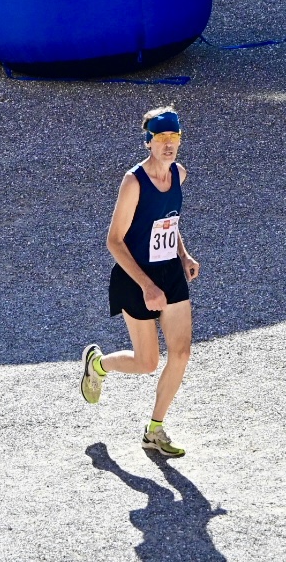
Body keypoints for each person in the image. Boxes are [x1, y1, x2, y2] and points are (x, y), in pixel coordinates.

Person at [79, 106, 200, 458]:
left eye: (174, 137)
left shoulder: (179, 174)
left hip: (170, 273)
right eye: (161, 138)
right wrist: (147, 285)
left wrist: (183, 255)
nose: (168, 145)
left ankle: (154, 430)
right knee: (147, 362)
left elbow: (167, 220)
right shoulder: (134, 182)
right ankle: (98, 364)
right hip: (135, 276)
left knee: (181, 353)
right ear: (148, 141)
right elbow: (114, 240)